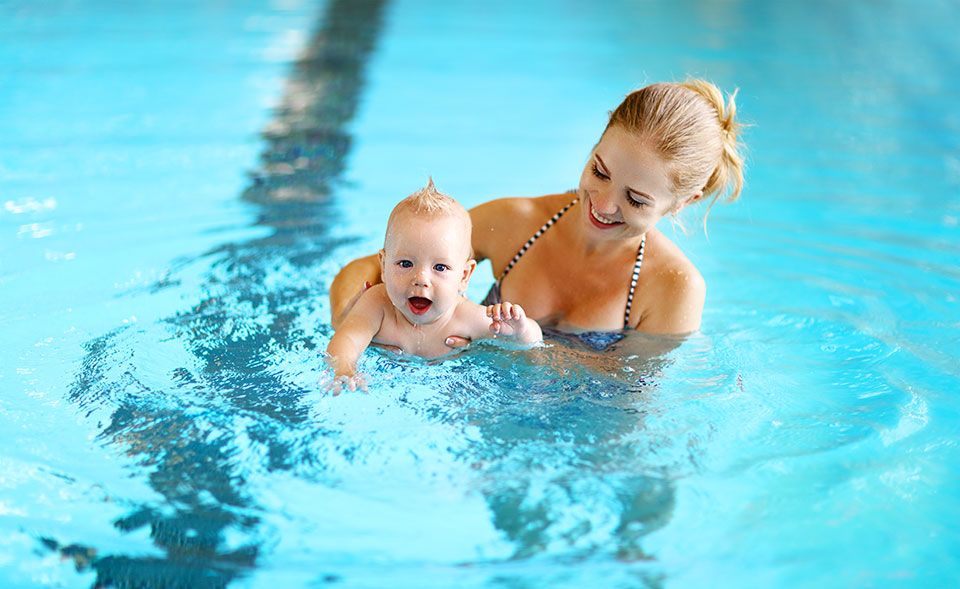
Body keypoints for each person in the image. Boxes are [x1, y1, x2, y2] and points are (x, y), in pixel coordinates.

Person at [330, 79, 744, 346]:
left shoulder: (673, 287)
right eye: (599, 171)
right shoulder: (517, 222)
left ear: (683, 202)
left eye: (635, 200)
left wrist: (517, 349)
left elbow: (628, 402)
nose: (602, 204)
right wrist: (354, 327)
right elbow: (368, 269)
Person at [326, 180, 542, 391]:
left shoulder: (465, 317)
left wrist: (519, 331)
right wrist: (344, 368)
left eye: (440, 268)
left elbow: (532, 342)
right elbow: (347, 340)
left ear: (464, 276)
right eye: (406, 263)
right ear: (383, 266)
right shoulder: (377, 304)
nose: (421, 279)